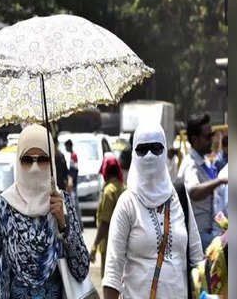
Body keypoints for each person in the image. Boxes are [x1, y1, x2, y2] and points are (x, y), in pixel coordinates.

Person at [0, 124, 89, 299]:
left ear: (52, 161)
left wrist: (62, 222)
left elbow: (82, 269)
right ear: (18, 161)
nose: (35, 167)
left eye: (43, 159)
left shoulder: (62, 203)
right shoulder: (4, 206)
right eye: (27, 160)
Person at [103, 121, 203, 299]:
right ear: (134, 153)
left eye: (156, 148)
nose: (149, 156)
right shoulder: (127, 203)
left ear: (165, 151)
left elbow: (197, 260)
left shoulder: (179, 197)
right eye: (142, 149)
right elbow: (112, 274)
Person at [177, 114, 228, 250]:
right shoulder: (190, 164)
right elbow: (193, 191)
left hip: (211, 230)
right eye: (207, 137)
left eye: (212, 135)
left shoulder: (204, 162)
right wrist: (220, 181)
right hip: (198, 236)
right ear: (195, 139)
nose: (211, 140)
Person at [91, 156, 125, 277]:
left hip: (110, 245)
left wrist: (95, 245)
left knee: (109, 280)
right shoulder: (124, 189)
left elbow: (105, 222)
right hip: (124, 244)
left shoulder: (108, 192)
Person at [64, 139, 82, 230]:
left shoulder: (73, 156)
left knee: (74, 204)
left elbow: (74, 170)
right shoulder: (71, 156)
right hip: (72, 182)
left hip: (73, 183)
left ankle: (79, 225)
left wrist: (70, 180)